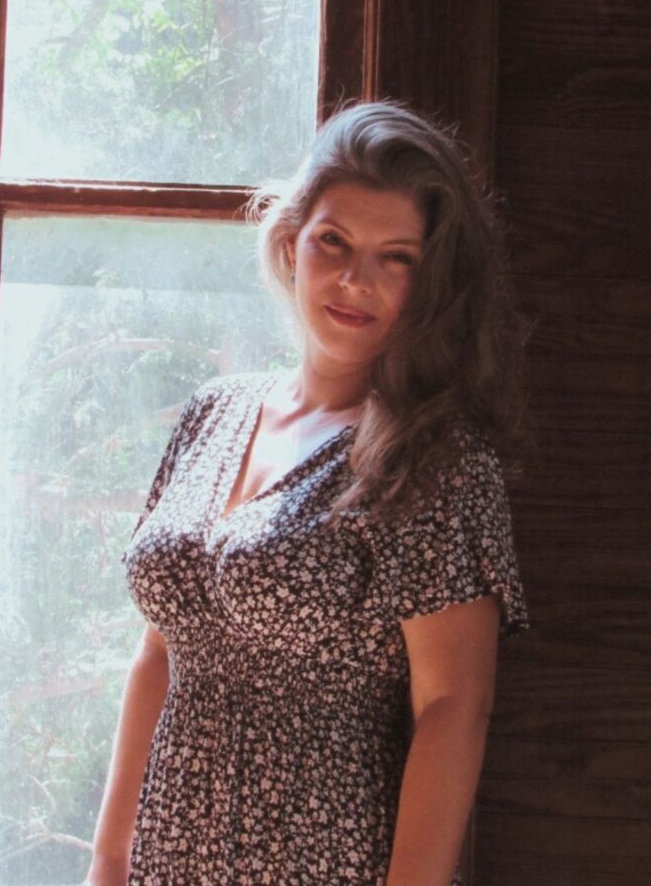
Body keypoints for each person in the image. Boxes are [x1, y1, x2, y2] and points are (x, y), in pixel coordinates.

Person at [85, 100, 532, 886]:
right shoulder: (212, 412)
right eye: (336, 241)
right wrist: (109, 860)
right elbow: (158, 652)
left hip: (324, 856)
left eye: (398, 257)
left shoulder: (439, 460)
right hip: (168, 851)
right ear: (292, 243)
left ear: (432, 283)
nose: (357, 280)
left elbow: (454, 709)